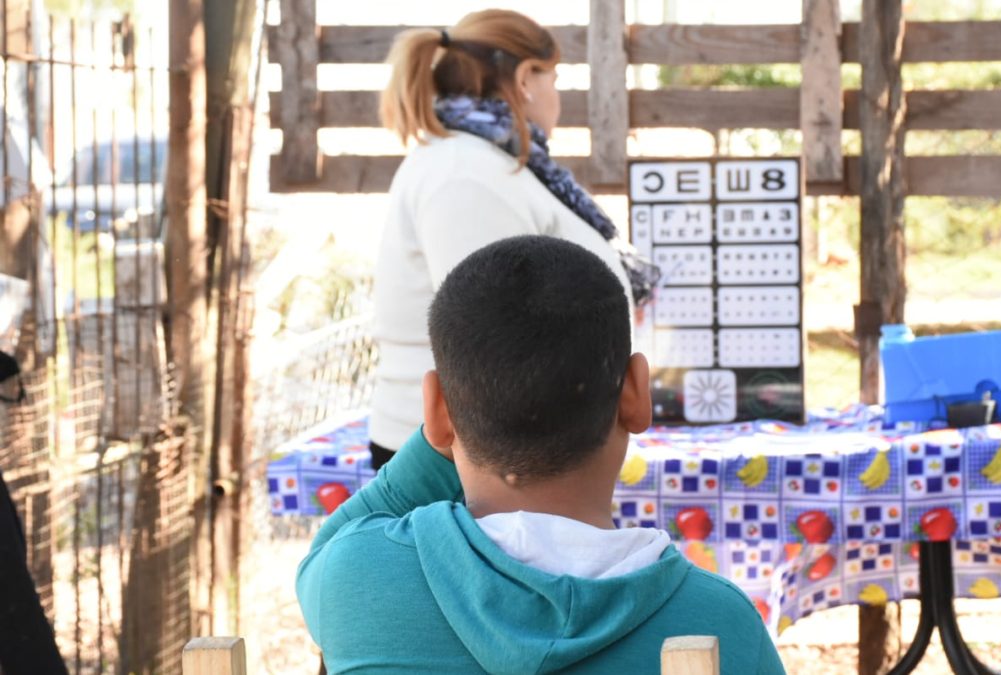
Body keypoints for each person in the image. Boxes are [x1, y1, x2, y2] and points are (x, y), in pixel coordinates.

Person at [297, 236, 784, 674]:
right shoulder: (721, 624)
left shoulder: (357, 577)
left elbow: (325, 549)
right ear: (636, 395)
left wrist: (439, 434)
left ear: (437, 413)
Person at [369, 9, 658, 469]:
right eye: (555, 79)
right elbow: (498, 338)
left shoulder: (482, 163)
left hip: (492, 450)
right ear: (526, 78)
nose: (557, 97)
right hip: (468, 459)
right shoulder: (466, 175)